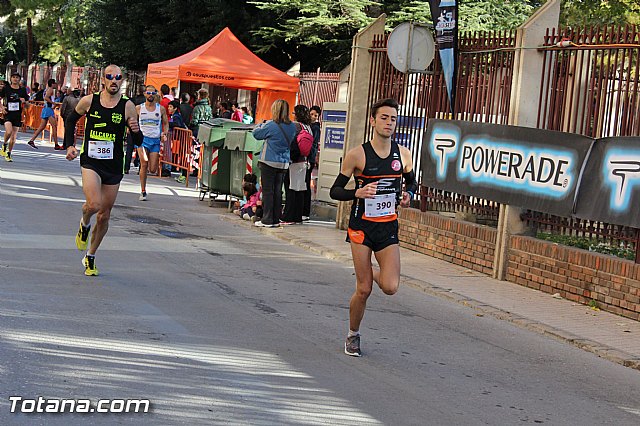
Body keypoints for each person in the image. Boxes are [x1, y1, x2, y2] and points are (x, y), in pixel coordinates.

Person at [330, 98, 417, 357]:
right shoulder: (357, 154)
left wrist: (408, 195)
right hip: (361, 228)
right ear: (373, 120)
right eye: (384, 118)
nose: (389, 123)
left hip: (387, 226)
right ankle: (353, 335)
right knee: (364, 288)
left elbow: (412, 184)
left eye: (393, 118)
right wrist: (358, 192)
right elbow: (335, 191)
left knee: (390, 286)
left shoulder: (403, 154)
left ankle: (370, 270)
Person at [63, 64, 144, 276]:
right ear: (103, 80)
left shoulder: (128, 106)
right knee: (94, 205)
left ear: (122, 80)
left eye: (118, 77)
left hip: (114, 164)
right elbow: (71, 120)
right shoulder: (90, 101)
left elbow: (138, 139)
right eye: (110, 77)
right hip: (91, 160)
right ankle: (84, 223)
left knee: (105, 215)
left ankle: (90, 256)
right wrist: (69, 145)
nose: (114, 80)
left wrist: (136, 132)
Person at [251, 99, 296, 228]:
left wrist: (260, 124)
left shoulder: (271, 125)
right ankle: (276, 219)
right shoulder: (292, 126)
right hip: (283, 163)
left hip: (269, 161)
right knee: (277, 191)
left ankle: (267, 219)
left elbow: (256, 134)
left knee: (268, 191)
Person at [136, 85, 169, 201]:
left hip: (155, 140)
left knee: (153, 169)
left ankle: (144, 177)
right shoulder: (139, 108)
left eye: (152, 93)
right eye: (148, 93)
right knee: (144, 163)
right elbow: (132, 121)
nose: (150, 95)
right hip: (142, 140)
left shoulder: (160, 109)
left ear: (155, 94)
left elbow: (166, 123)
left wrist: (164, 133)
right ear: (145, 94)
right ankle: (143, 191)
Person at [281, 104, 312, 225]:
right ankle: (298, 216)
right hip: (304, 161)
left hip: (293, 161)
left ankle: (289, 216)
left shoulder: (296, 126)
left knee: (290, 188)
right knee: (300, 189)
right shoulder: (308, 127)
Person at [0, 73, 30, 162]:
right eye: (13, 77)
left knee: (13, 136)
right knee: (8, 131)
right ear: (11, 79)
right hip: (8, 113)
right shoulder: (6, 88)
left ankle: (9, 153)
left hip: (17, 114)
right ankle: (4, 144)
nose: (15, 79)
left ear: (19, 79)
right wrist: (2, 108)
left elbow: (28, 105)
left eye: (17, 77)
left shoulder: (22, 90)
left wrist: (24, 101)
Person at [27, 78, 61, 150]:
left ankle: (31, 140)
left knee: (42, 127)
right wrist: (53, 103)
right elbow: (46, 98)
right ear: (52, 84)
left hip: (45, 108)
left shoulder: (46, 89)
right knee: (54, 126)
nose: (56, 85)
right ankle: (56, 144)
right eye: (55, 83)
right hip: (48, 109)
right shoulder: (50, 90)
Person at [303, 105, 322, 221]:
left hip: (309, 159)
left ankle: (305, 211)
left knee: (306, 184)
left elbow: (313, 144)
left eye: (316, 115)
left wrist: (310, 158)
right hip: (307, 158)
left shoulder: (315, 128)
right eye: (312, 114)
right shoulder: (308, 126)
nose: (314, 117)